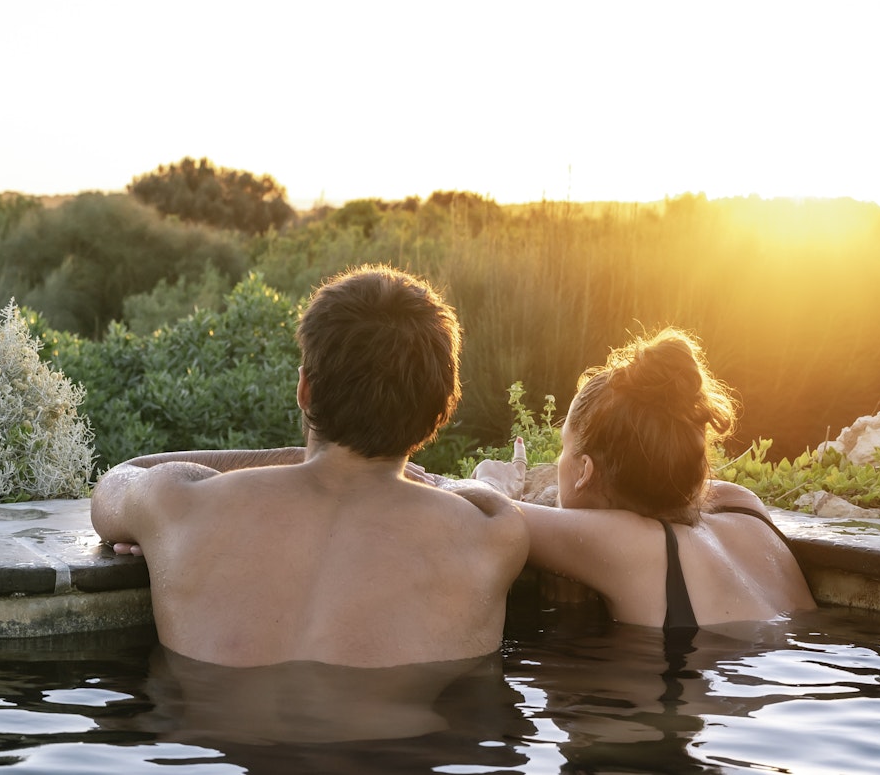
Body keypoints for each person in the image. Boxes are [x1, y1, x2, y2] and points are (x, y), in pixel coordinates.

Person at [91, 264, 529, 669]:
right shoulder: (492, 535)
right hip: (396, 754)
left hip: (211, 751)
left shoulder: (179, 503)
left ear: (305, 389)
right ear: (441, 411)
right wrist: (472, 483)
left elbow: (119, 476)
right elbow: (482, 498)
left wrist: (279, 460)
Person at [470, 327, 814, 638]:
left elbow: (490, 516)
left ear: (584, 472)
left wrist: (492, 481)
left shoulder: (635, 546)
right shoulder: (742, 504)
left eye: (564, 448)